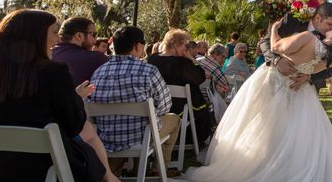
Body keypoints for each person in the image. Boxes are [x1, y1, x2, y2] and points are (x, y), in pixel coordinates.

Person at [157, 19, 332, 182]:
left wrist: (274, 30)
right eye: (331, 24)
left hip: (282, 85)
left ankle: (266, 174)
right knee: (285, 135)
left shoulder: (308, 37)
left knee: (273, 132)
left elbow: (276, 46)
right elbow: (279, 52)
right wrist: (294, 67)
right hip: (294, 91)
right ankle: (282, 173)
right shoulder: (331, 55)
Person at [0, 10, 105, 182]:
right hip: (43, 178)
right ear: (37, 36)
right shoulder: (53, 72)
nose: (58, 39)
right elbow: (74, 126)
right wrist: (74, 99)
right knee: (86, 150)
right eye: (54, 32)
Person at [90, 26, 181, 173]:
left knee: (139, 122)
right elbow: (165, 106)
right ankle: (158, 170)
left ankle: (122, 172)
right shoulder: (148, 70)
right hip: (141, 136)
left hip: (106, 137)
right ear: (137, 46)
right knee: (175, 120)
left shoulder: (99, 72)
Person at [147, 29, 213, 144]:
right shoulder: (182, 63)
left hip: (156, 108)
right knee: (203, 111)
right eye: (184, 45)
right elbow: (200, 78)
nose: (186, 48)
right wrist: (192, 59)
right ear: (176, 45)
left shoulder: (152, 60)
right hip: (180, 108)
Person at [259, 2, 332, 90]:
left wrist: (309, 77)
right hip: (275, 78)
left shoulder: (330, 39)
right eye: (329, 24)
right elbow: (265, 42)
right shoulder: (291, 19)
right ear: (318, 18)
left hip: (302, 88)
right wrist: (276, 60)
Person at [51, 16, 108, 87]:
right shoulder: (96, 58)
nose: (95, 40)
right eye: (93, 34)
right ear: (79, 36)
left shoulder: (48, 55)